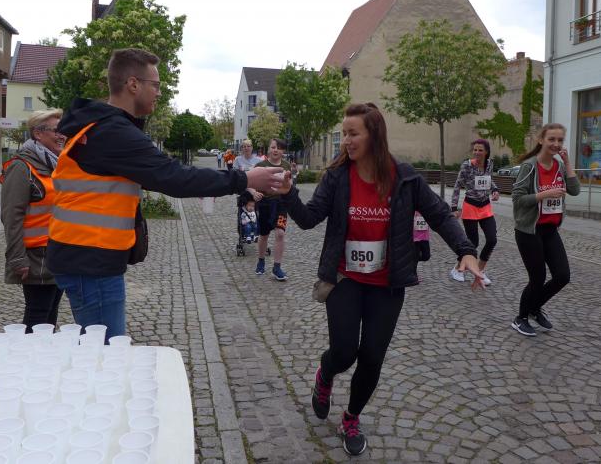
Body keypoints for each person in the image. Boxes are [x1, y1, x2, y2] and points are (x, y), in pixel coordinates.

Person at [276, 103, 482, 456]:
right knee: (344, 352)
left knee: (372, 357)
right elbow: (309, 219)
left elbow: (439, 215)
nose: (346, 140)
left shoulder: (404, 176)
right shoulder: (338, 176)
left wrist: (465, 250)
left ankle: (351, 417)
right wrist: (289, 194)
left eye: (353, 133)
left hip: (387, 283)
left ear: (374, 135)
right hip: (345, 278)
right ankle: (325, 374)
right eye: (344, 133)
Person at [45, 48, 285, 342]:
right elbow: (174, 176)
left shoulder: (101, 127)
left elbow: (146, 177)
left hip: (84, 255)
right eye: (155, 85)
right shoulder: (113, 132)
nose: (159, 93)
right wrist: (245, 178)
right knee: (105, 353)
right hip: (89, 260)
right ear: (133, 84)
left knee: (100, 350)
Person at [511, 123, 580, 337]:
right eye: (551, 139)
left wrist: (567, 163)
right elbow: (517, 199)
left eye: (560, 140)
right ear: (541, 140)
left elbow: (575, 190)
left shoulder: (559, 166)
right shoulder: (530, 166)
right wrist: (544, 195)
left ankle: (534, 308)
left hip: (550, 230)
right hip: (529, 230)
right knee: (538, 277)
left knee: (562, 276)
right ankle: (521, 318)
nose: (556, 144)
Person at [0, 109, 66, 332]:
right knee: (38, 315)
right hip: (36, 256)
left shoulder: (55, 164)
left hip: (57, 252)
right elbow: (11, 216)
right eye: (56, 130)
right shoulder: (22, 167)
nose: (61, 135)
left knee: (50, 314)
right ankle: (28, 352)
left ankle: (45, 352)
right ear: (38, 133)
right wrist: (17, 258)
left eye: (63, 130)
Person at [449, 138, 499, 286]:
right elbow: (457, 185)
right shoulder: (467, 165)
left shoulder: (489, 164)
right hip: (470, 206)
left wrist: (495, 190)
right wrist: (454, 208)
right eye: (475, 150)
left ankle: (480, 271)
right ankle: (457, 269)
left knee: (492, 239)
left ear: (486, 152)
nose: (477, 152)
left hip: (485, 207)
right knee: (473, 242)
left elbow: (489, 179)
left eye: (480, 150)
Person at [254, 138, 292, 280]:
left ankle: (277, 267)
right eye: (273, 147)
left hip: (281, 204)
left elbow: (289, 185)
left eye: (279, 148)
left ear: (283, 151)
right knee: (264, 235)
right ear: (269, 149)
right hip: (265, 203)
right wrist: (253, 193)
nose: (276, 150)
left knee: (280, 233)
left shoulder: (286, 165)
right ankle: (261, 261)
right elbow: (249, 183)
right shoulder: (260, 165)